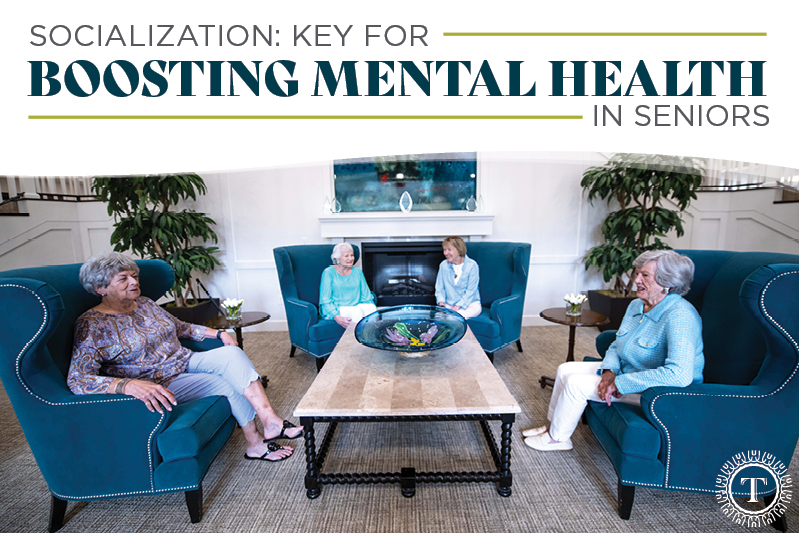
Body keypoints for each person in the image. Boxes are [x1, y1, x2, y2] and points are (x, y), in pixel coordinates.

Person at [67, 252, 303, 463]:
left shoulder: (145, 304)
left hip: (184, 360)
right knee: (225, 384)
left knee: (232, 353)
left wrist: (218, 333)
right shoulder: (92, 325)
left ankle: (270, 419)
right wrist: (127, 385)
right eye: (123, 279)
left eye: (134, 276)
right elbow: (78, 380)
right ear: (100, 288)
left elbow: (179, 327)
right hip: (161, 381)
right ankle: (255, 443)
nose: (134, 282)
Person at [523, 250, 704, 451]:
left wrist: (620, 382)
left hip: (658, 391)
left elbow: (679, 375)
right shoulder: (637, 305)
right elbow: (617, 344)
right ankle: (552, 427)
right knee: (565, 369)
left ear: (667, 283)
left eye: (645, 275)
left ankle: (558, 439)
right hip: (631, 371)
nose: (636, 280)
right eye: (637, 273)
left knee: (576, 384)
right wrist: (609, 371)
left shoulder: (681, 316)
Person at [319, 242, 376, 328]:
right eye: (346, 256)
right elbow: (325, 300)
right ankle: (356, 340)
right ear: (337, 258)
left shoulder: (358, 272)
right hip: (337, 309)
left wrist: (370, 309)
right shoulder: (328, 272)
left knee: (371, 309)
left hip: (356, 306)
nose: (350, 258)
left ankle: (371, 338)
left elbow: (366, 296)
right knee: (356, 312)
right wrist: (336, 316)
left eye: (352, 255)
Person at [434, 236, 482, 318]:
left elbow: (470, 291)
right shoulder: (443, 265)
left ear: (458, 249)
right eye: (444, 250)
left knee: (455, 318)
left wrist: (457, 307)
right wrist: (441, 306)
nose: (445, 253)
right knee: (437, 318)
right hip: (448, 304)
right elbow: (440, 287)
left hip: (470, 304)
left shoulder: (472, 266)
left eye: (449, 249)